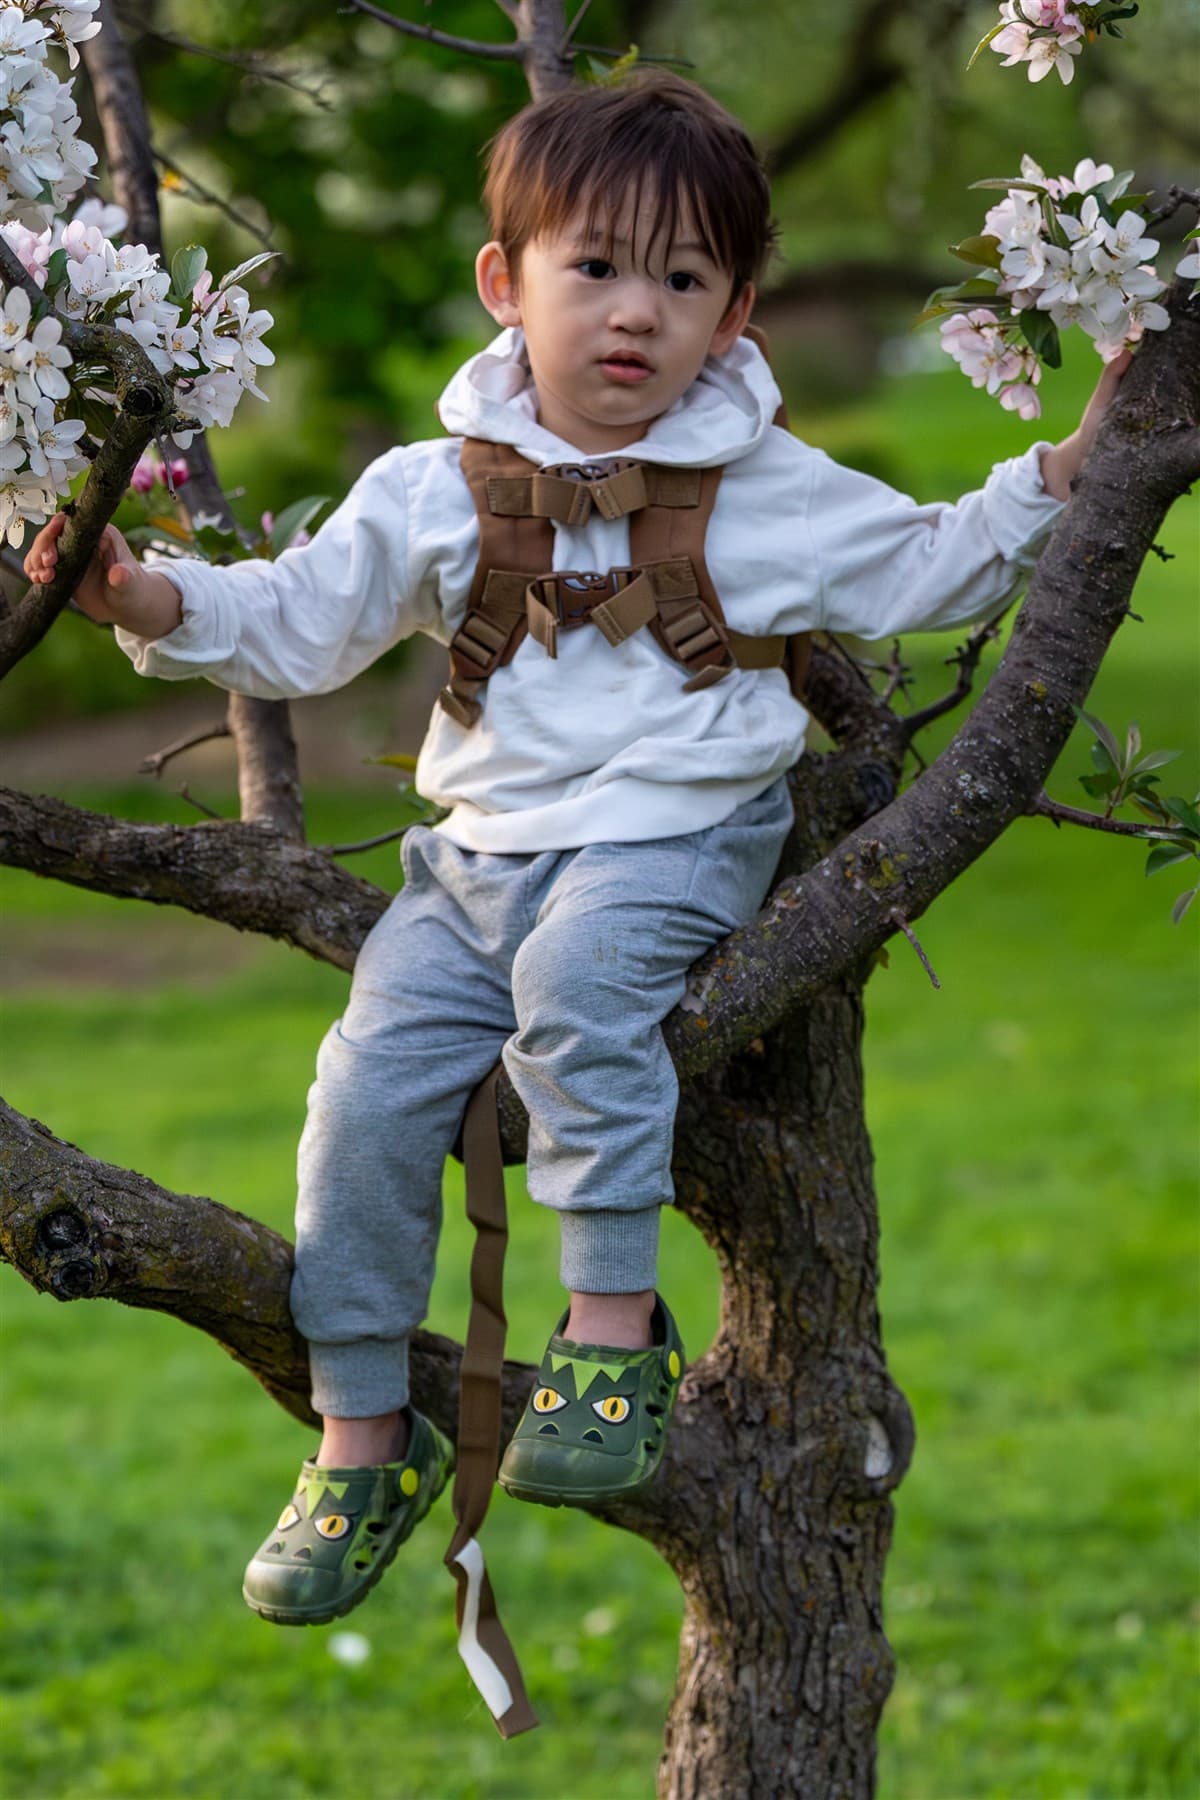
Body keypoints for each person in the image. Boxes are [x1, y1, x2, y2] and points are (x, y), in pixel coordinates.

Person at [24, 72, 1125, 1635]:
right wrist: (146, 600)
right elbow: (298, 618)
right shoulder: (435, 492)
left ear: (736, 314)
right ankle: (358, 1429)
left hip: (675, 835)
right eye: (595, 267)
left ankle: (612, 1330)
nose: (636, 314)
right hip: (473, 863)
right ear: (507, 281)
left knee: (579, 992)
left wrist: (1069, 474)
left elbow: (924, 564)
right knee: (364, 1088)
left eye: (683, 282)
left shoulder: (759, 487)